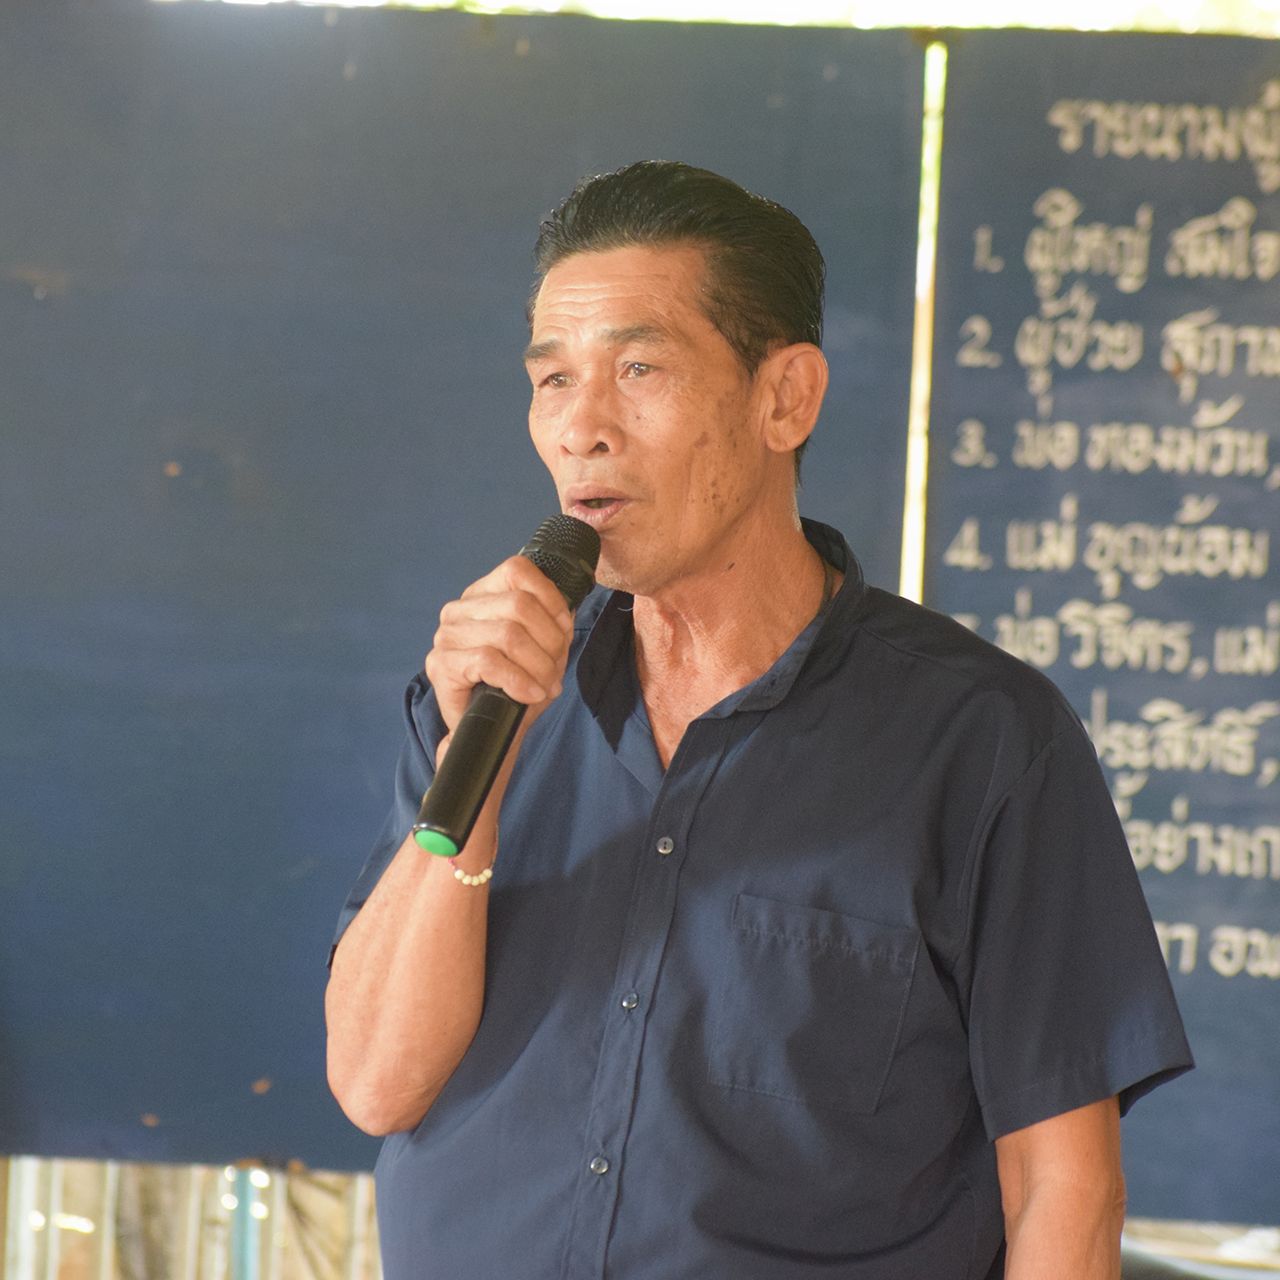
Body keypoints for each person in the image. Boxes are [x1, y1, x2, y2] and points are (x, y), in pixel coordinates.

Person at [325, 161, 1192, 1280]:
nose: (582, 427)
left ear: (786, 398)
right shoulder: (486, 694)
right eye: (552, 379)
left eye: (638, 369)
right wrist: (476, 782)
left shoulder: (981, 739)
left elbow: (1063, 1190)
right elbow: (374, 1084)